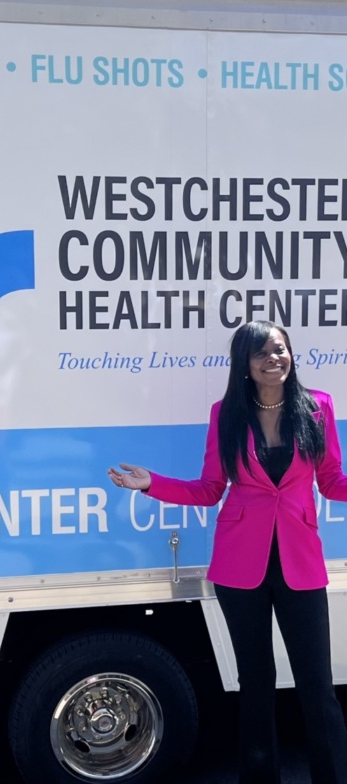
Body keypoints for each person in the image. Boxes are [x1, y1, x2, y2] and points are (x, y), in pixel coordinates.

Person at [108, 320, 347, 784]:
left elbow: (332, 480)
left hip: (300, 563)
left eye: (279, 349)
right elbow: (210, 488)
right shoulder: (226, 414)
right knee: (255, 682)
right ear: (245, 363)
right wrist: (153, 483)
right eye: (261, 353)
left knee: (317, 685)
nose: (273, 359)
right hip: (241, 568)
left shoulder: (317, 407)